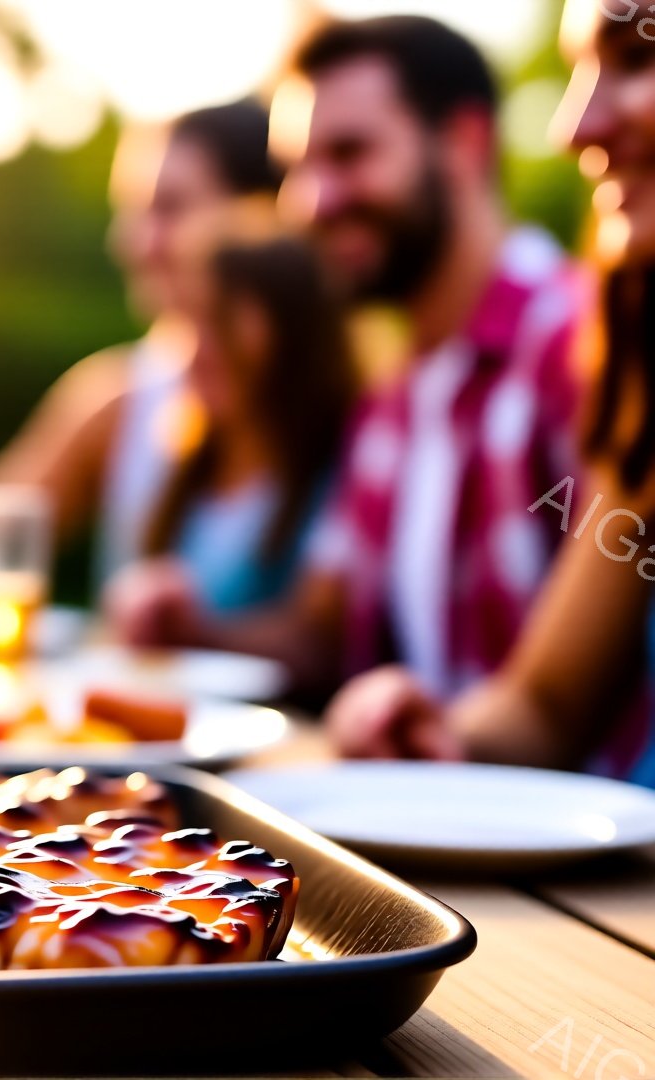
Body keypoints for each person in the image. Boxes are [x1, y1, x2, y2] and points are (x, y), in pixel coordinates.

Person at [108, 16, 588, 700]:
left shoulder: (579, 344)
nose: (312, 201)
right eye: (297, 169)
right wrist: (199, 633)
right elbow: (321, 637)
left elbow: (559, 709)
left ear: (464, 142)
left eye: (350, 154)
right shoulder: (394, 397)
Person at [327, 1, 655, 786]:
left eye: (638, 59)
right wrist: (431, 730)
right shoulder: (638, 364)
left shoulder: (564, 338)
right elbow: (544, 704)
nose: (572, 126)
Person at [0, 101, 284, 589]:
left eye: (169, 209)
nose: (135, 242)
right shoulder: (120, 396)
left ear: (260, 218)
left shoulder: (340, 401)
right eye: (133, 212)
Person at [129, 220, 357, 614]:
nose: (199, 351)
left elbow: (319, 641)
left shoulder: (343, 475)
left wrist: (196, 634)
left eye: (222, 323)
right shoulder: (185, 467)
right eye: (190, 322)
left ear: (294, 335)